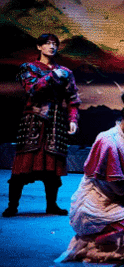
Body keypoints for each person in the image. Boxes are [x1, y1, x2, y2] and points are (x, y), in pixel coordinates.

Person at [55, 93, 124, 263]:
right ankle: (92, 246)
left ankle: (120, 240)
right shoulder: (108, 141)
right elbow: (120, 188)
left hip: (121, 198)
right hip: (101, 204)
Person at [3, 33, 81, 218]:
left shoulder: (65, 72)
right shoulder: (28, 68)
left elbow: (72, 99)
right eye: (47, 43)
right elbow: (32, 89)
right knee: (24, 162)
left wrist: (73, 119)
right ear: (39, 46)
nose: (52, 46)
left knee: (53, 165)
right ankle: (12, 205)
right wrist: (52, 76)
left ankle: (51, 205)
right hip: (33, 120)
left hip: (56, 121)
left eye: (55, 44)